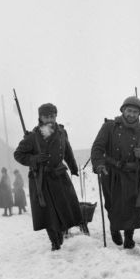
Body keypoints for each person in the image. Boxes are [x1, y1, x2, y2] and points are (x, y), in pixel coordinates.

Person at [13, 103, 83, 251]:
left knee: (64, 208)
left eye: (52, 115)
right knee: (47, 212)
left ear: (56, 116)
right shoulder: (33, 137)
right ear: (40, 118)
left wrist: (73, 167)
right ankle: (54, 240)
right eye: (46, 116)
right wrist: (35, 159)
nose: (50, 119)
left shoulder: (61, 132)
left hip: (59, 176)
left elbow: (68, 151)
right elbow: (18, 154)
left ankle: (61, 231)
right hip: (41, 179)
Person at [90, 95, 140, 249]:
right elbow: (98, 147)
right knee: (113, 205)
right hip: (111, 173)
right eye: (129, 110)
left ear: (139, 114)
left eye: (135, 112)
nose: (132, 114)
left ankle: (129, 237)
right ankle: (114, 228)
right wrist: (99, 164)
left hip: (133, 174)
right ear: (123, 110)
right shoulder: (109, 127)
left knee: (133, 206)